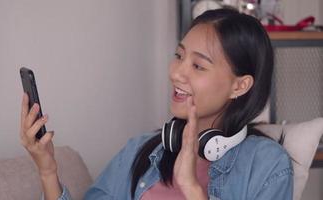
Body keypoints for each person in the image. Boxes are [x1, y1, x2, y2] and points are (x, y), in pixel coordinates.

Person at [20, 8, 293, 200]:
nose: (176, 72)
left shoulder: (267, 165)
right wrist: (48, 170)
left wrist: (193, 189)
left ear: (240, 86)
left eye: (198, 65)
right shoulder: (139, 150)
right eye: (179, 55)